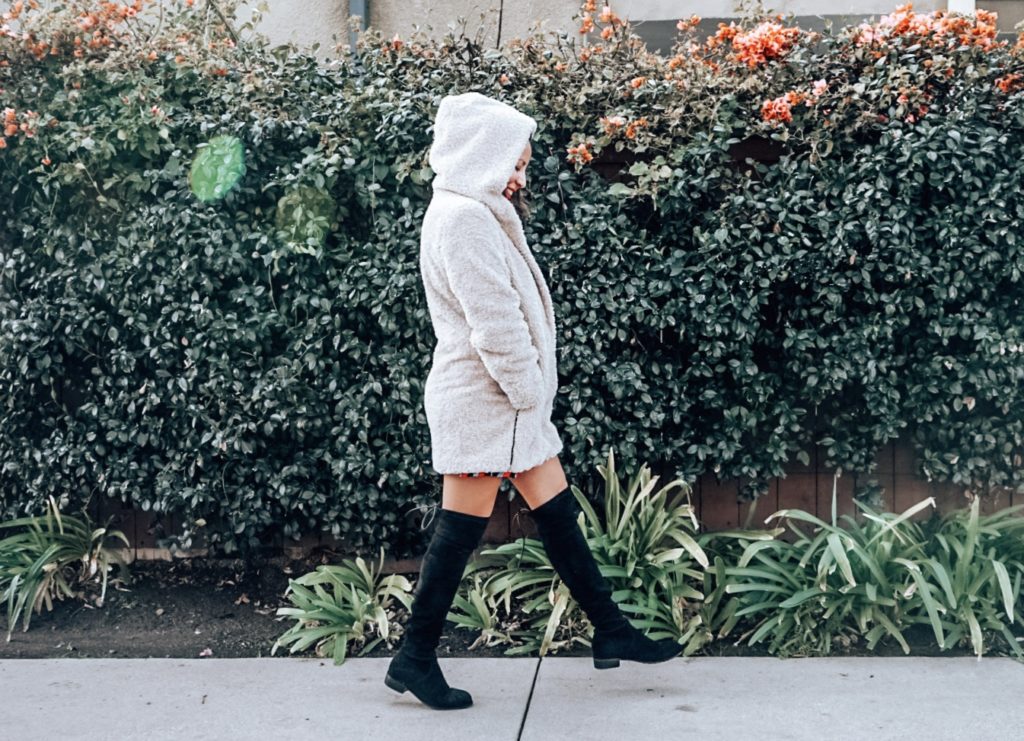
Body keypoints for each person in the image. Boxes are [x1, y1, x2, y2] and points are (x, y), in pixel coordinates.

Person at [384, 91, 681, 711]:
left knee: (556, 510)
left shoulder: (474, 209)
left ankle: (609, 628)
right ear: (482, 156)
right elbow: (494, 323)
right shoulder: (463, 219)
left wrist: (528, 398)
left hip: (505, 404)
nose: (521, 177)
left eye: (523, 165)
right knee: (458, 533)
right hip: (486, 399)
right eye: (514, 164)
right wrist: (529, 391)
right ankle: (413, 658)